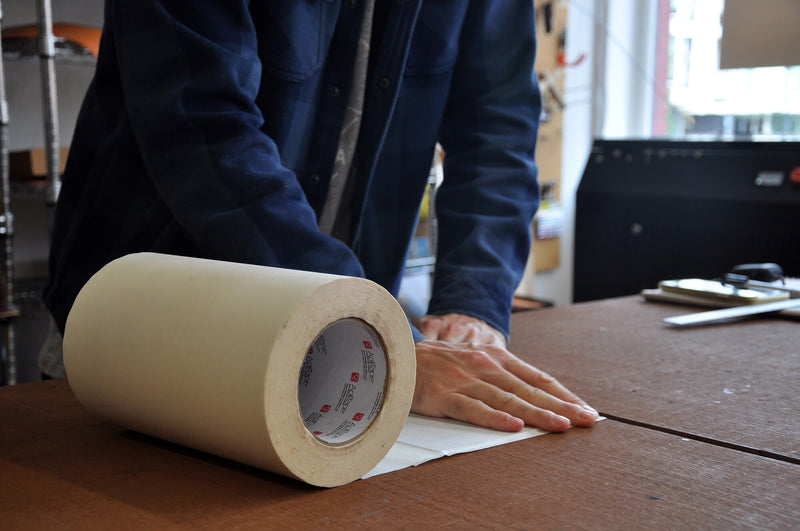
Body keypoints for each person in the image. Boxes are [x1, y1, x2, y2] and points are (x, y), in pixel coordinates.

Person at [42, 0, 598, 433]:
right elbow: (201, 122)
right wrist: (379, 336)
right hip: (147, 324)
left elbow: (497, 134)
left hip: (337, 348)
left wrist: (471, 306)